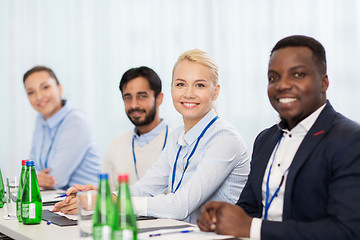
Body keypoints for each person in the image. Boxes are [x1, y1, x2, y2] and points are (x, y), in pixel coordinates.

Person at [53, 49, 250, 224]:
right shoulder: (177, 137)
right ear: (171, 89)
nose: (188, 93)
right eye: (181, 84)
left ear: (215, 92)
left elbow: (181, 206)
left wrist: (112, 202)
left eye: (199, 85)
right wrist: (102, 196)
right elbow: (144, 189)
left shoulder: (224, 139)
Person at [197, 35, 360, 239]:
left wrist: (252, 228)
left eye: (298, 74)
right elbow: (249, 209)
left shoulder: (350, 140)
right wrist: (218, 217)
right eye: (273, 77)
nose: (282, 85)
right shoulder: (265, 140)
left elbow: (347, 231)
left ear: (324, 83)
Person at [23, 66, 101, 190]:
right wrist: (35, 177)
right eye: (31, 92)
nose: (38, 97)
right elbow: (29, 167)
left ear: (59, 89)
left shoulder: (76, 121)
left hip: (85, 204)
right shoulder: (40, 119)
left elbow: (56, 179)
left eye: (45, 87)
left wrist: (33, 177)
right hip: (55, 200)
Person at [102, 66, 168, 190]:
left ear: (159, 98)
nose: (134, 105)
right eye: (127, 98)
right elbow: (106, 197)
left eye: (142, 96)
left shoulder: (177, 142)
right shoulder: (116, 145)